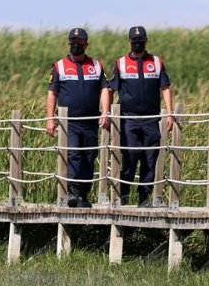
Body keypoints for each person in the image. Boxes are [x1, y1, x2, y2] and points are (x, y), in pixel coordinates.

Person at [108, 26, 174, 207]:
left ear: (146, 41)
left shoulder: (157, 62)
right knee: (130, 155)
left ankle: (144, 197)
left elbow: (165, 88)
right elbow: (110, 89)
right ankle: (124, 193)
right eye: (135, 40)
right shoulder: (120, 63)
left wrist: (170, 114)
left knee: (150, 157)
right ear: (129, 42)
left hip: (151, 119)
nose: (138, 43)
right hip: (128, 118)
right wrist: (106, 113)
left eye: (141, 40)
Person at [46, 27, 111, 207]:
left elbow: (104, 88)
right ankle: (72, 192)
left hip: (91, 122)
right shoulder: (59, 66)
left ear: (86, 44)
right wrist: (50, 119)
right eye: (72, 43)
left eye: (79, 43)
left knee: (89, 156)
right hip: (70, 123)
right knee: (73, 154)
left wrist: (105, 111)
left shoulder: (96, 66)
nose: (75, 46)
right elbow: (52, 93)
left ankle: (83, 194)